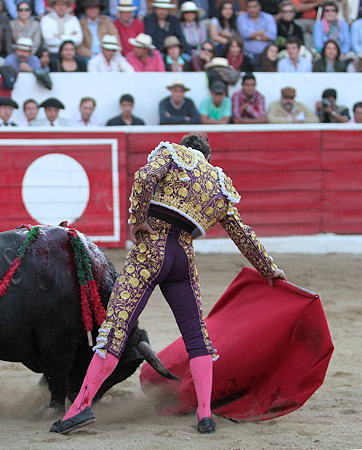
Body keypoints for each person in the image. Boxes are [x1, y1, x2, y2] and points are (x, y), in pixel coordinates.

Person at [50, 132, 285, 436]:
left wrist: (137, 218)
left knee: (115, 329)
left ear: (185, 149)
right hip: (182, 258)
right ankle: (204, 415)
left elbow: (145, 176)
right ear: (208, 158)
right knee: (196, 335)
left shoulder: (172, 153)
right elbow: (242, 233)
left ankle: (80, 408)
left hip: (150, 249)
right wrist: (269, 269)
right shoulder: (219, 182)